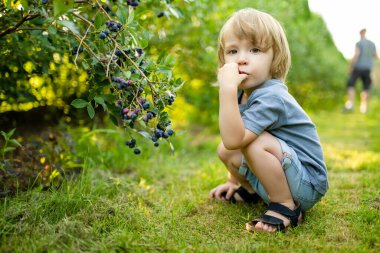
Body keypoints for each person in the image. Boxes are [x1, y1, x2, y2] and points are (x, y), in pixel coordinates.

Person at [209, 8, 328, 233]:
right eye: (232, 51)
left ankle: (285, 207)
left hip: (307, 184)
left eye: (255, 50)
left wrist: (225, 89)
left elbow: (237, 139)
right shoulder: (241, 93)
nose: (241, 59)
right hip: (284, 174)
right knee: (224, 150)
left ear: (275, 59)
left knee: (252, 141)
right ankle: (250, 191)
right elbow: (230, 142)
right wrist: (233, 182)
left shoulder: (271, 96)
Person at [344, 28, 377, 113]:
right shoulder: (372, 44)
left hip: (358, 67)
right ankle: (364, 107)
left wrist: (351, 66)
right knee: (365, 87)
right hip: (367, 68)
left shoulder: (359, 43)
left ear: (361, 33)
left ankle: (350, 103)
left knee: (351, 84)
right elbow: (376, 56)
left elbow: (356, 54)